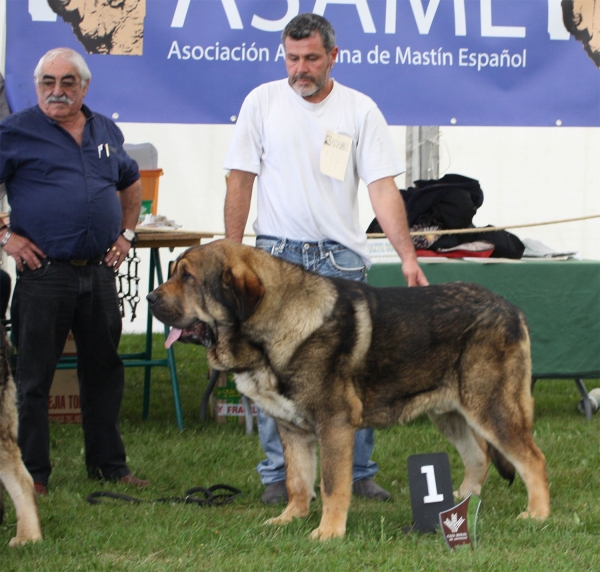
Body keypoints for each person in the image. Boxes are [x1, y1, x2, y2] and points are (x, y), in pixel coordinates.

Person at [223, 13, 428, 505]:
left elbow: (381, 188)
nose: (301, 68)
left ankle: (357, 474)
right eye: (292, 58)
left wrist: (407, 256)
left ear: (333, 56)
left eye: (311, 58)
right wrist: (233, 256)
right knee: (274, 371)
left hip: (341, 261)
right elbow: (239, 181)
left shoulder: (360, 110)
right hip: (273, 259)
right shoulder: (261, 102)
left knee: (353, 372)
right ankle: (281, 477)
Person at [0, 47, 146, 495]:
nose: (58, 91)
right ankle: (35, 475)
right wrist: (5, 236)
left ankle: (108, 466)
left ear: (84, 87)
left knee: (104, 370)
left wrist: (127, 235)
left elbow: (130, 180)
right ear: (37, 85)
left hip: (99, 272)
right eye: (48, 82)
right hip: (45, 273)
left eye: (68, 83)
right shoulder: (15, 132)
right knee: (33, 379)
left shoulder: (105, 129)